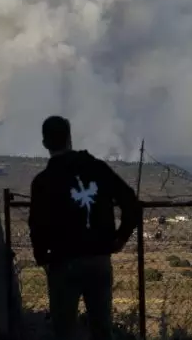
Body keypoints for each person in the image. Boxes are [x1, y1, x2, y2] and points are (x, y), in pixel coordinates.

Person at [28, 115, 141, 340]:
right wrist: (120, 238)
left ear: (44, 143)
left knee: (64, 330)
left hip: (62, 262)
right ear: (70, 138)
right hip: (98, 258)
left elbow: (36, 225)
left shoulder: (43, 181)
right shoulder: (98, 169)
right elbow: (131, 203)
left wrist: (42, 258)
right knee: (102, 329)